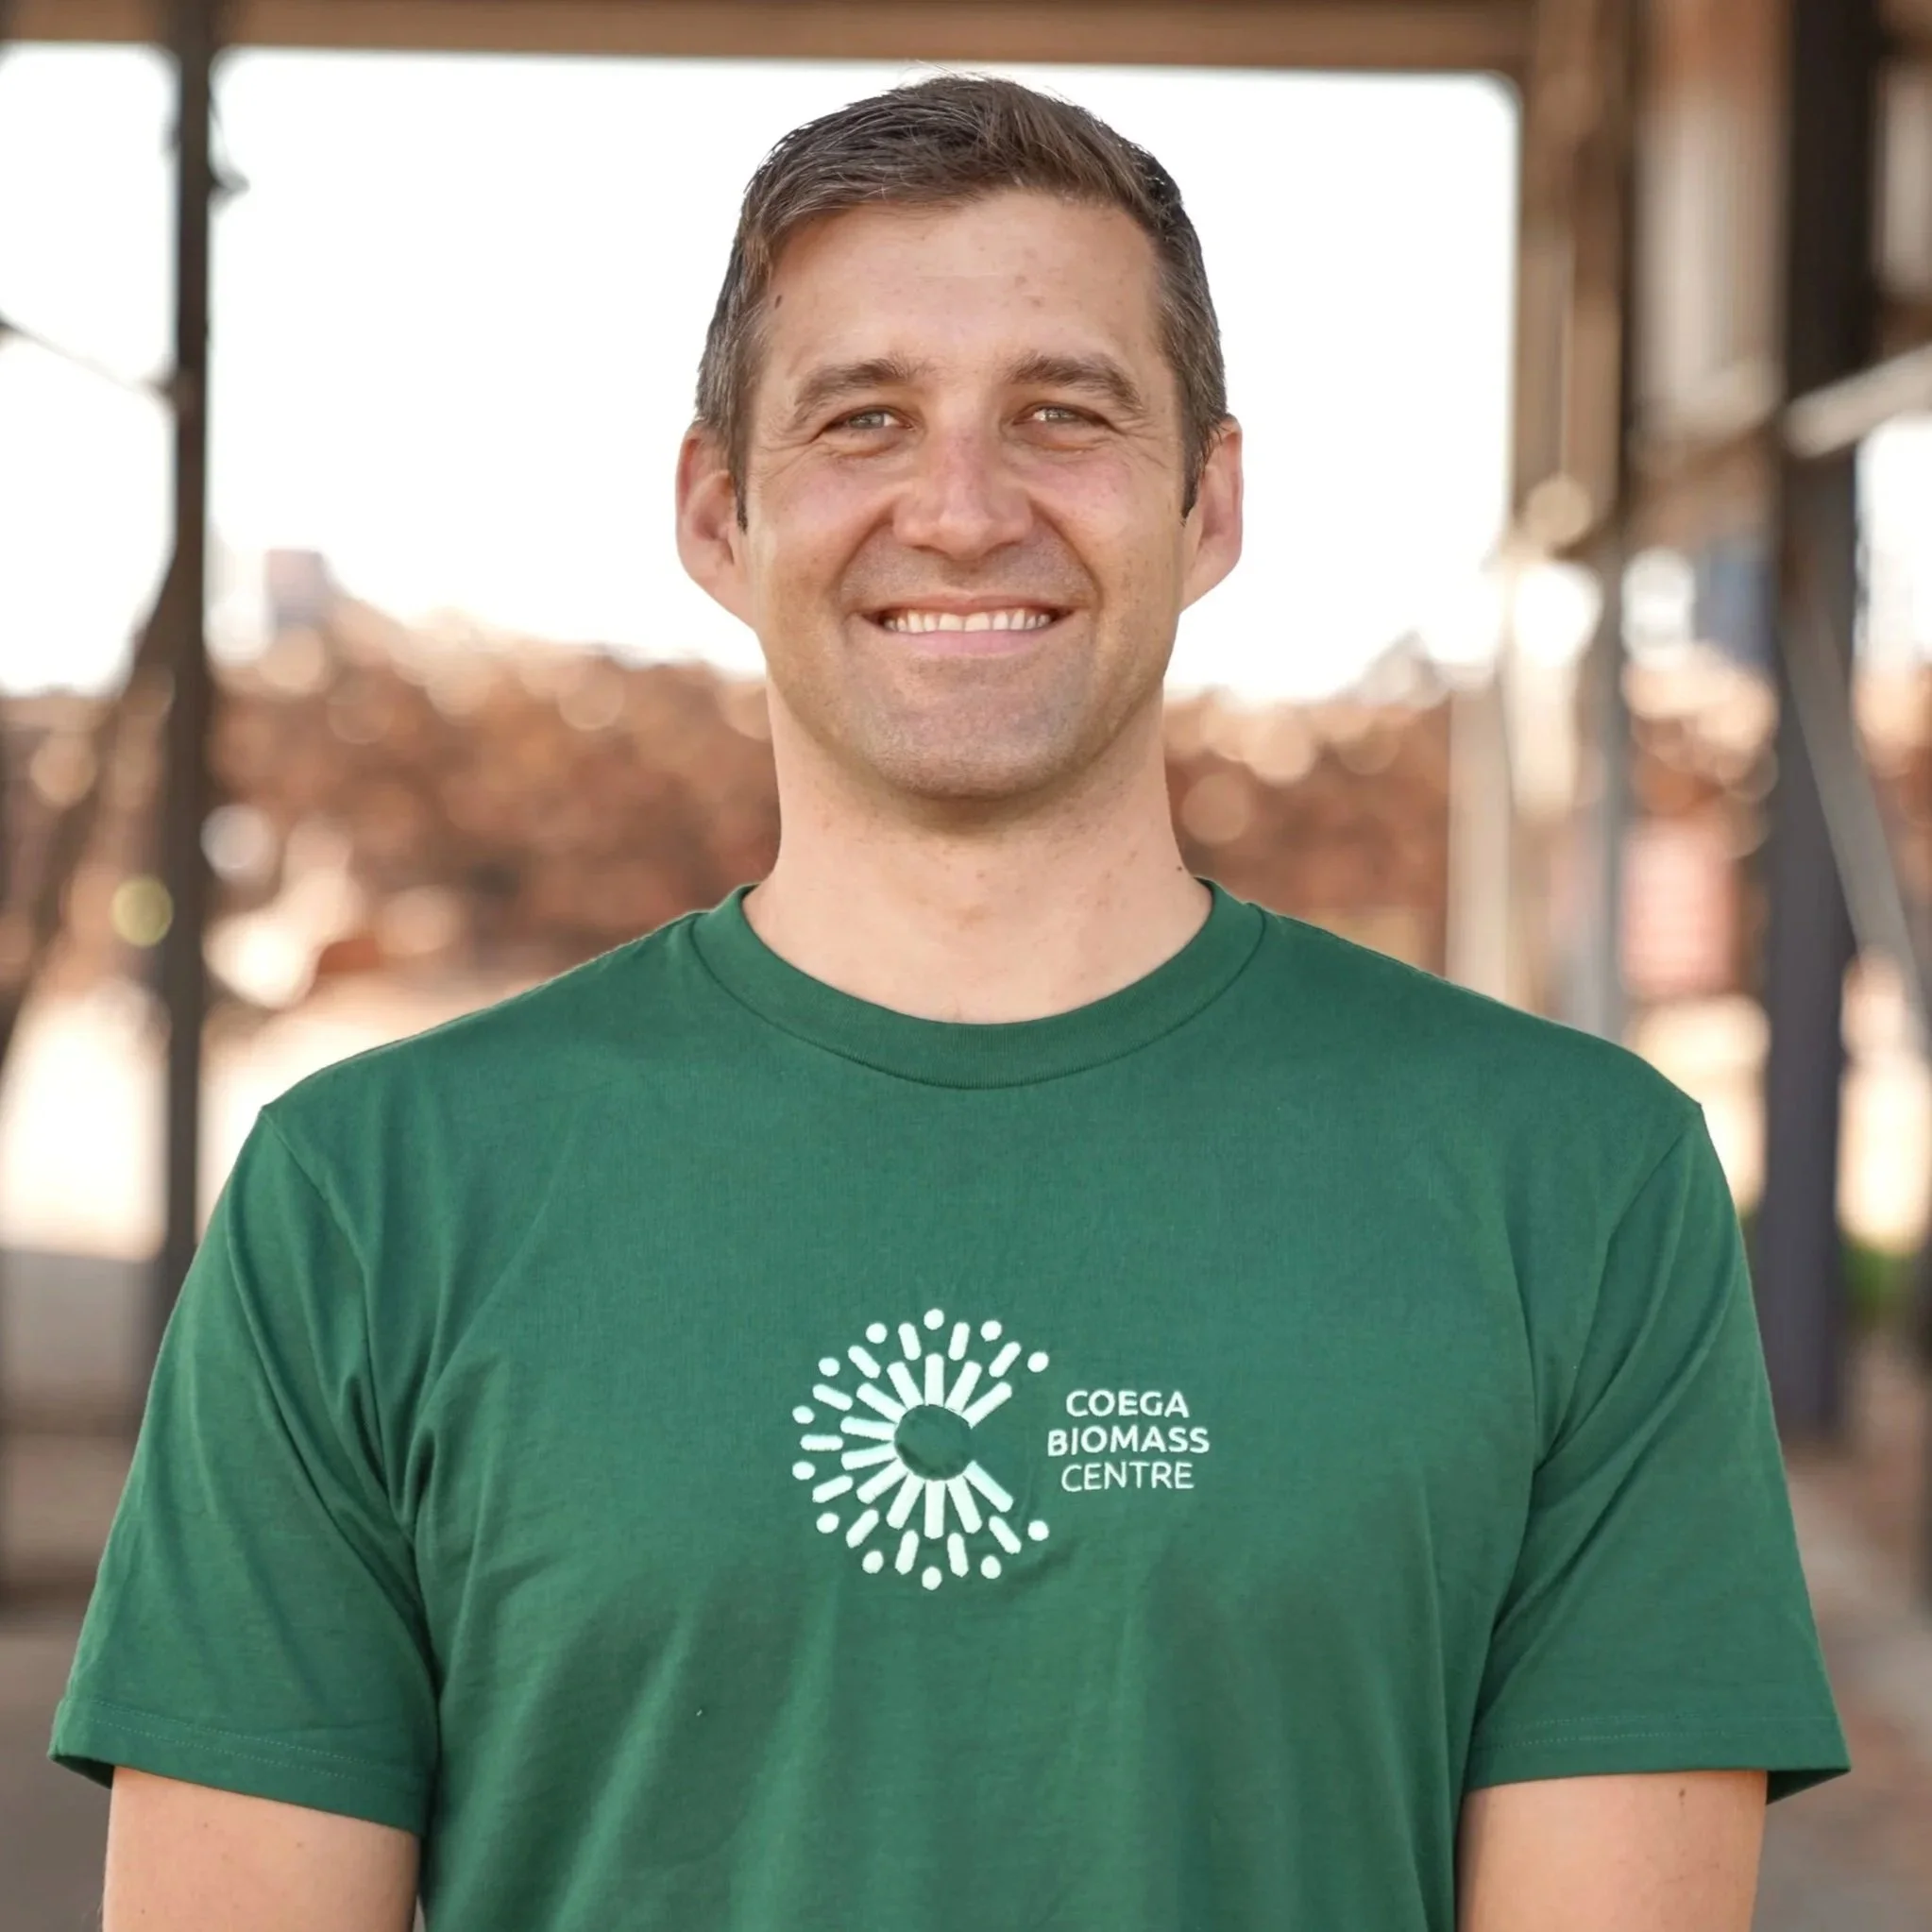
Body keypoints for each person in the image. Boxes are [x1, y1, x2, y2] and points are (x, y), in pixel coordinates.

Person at [54, 73, 1846, 1932]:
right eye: (865, 419)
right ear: (718, 514)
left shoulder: (1573, 1185)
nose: (965, 509)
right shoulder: (372, 1198)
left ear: (1209, 504)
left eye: (1062, 413)